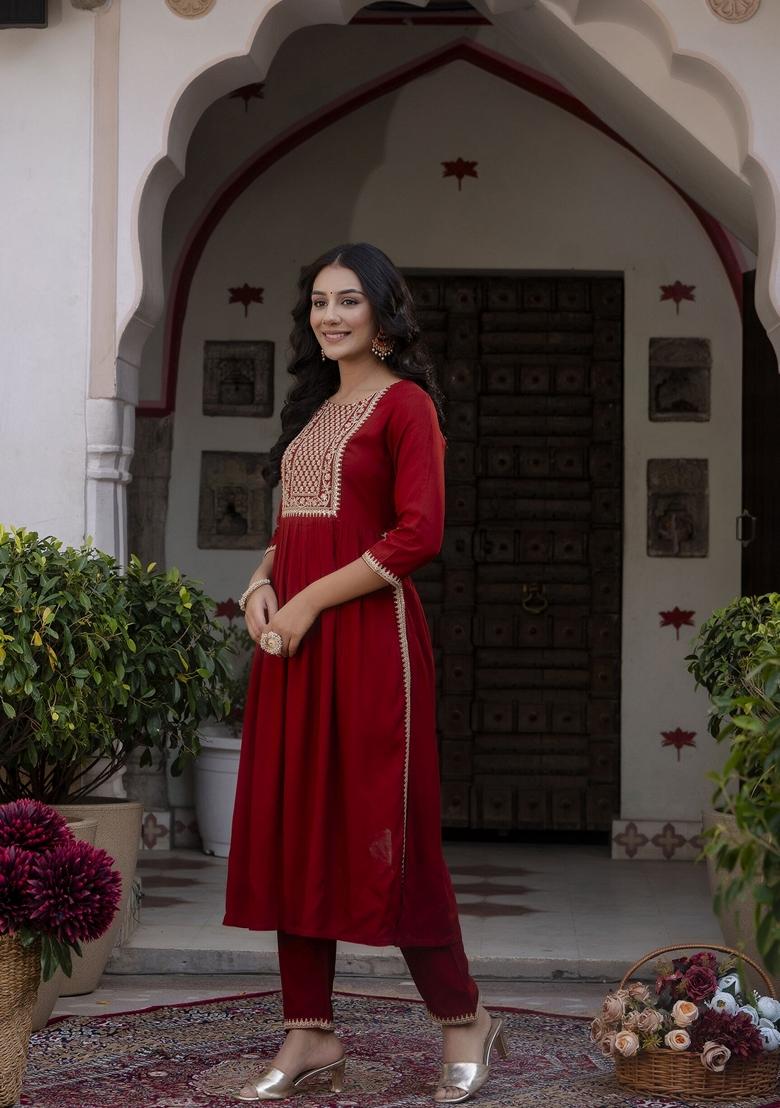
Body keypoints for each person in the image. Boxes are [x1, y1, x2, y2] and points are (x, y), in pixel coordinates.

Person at [223, 242, 510, 1103]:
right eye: (318, 301)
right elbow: (294, 525)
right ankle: (309, 1029)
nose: (331, 315)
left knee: (391, 829)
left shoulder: (405, 406)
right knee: (293, 826)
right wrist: (262, 585)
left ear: (384, 314)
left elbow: (417, 533)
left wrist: (310, 603)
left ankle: (463, 1017)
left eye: (349, 301)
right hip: (293, 650)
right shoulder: (312, 413)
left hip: (368, 644)